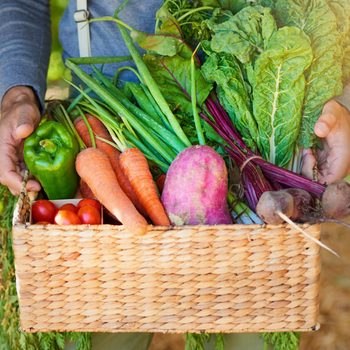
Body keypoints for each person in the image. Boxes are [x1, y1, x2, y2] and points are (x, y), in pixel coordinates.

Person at [0, 1, 350, 350]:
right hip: (100, 124)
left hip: (249, 164)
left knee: (252, 330)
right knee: (102, 336)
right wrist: (16, 93)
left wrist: (344, 103)